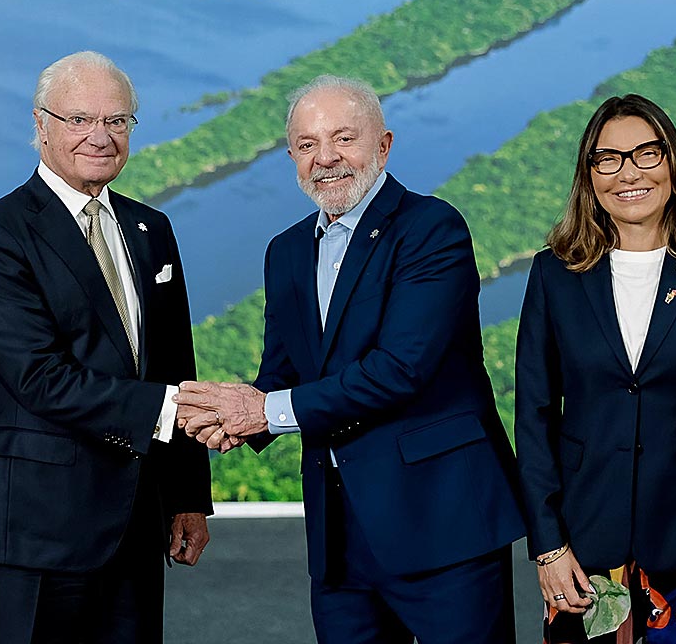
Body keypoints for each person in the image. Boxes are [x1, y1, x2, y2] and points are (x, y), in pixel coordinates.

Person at [176, 75, 524, 644]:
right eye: (307, 145)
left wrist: (264, 412)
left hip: (441, 521)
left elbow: (401, 369)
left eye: (343, 138)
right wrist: (226, 414)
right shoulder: (285, 251)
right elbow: (283, 375)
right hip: (338, 537)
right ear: (291, 156)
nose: (325, 159)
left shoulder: (432, 228)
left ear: (383, 145)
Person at [0, 51, 212, 644]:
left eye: (117, 121)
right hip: (35, 532)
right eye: (79, 120)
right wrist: (177, 412)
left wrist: (187, 496)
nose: (100, 136)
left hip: (136, 524)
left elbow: (175, 364)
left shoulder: (151, 229)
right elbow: (39, 377)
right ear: (41, 125)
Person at [514, 94, 676, 643]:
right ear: (590, 176)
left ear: (673, 163)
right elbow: (533, 419)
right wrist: (547, 546)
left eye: (646, 154)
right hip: (582, 558)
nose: (628, 173)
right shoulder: (553, 276)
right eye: (608, 159)